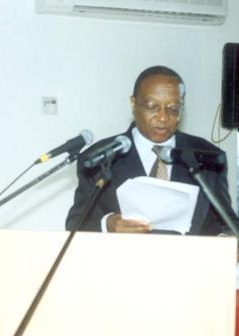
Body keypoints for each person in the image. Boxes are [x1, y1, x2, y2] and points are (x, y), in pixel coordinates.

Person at [66, 65, 238, 235]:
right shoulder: (98, 157)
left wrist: (230, 238)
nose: (163, 117)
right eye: (151, 107)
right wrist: (109, 224)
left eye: (173, 108)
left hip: (188, 261)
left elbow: (225, 223)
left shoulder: (208, 156)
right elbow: (76, 223)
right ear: (133, 103)